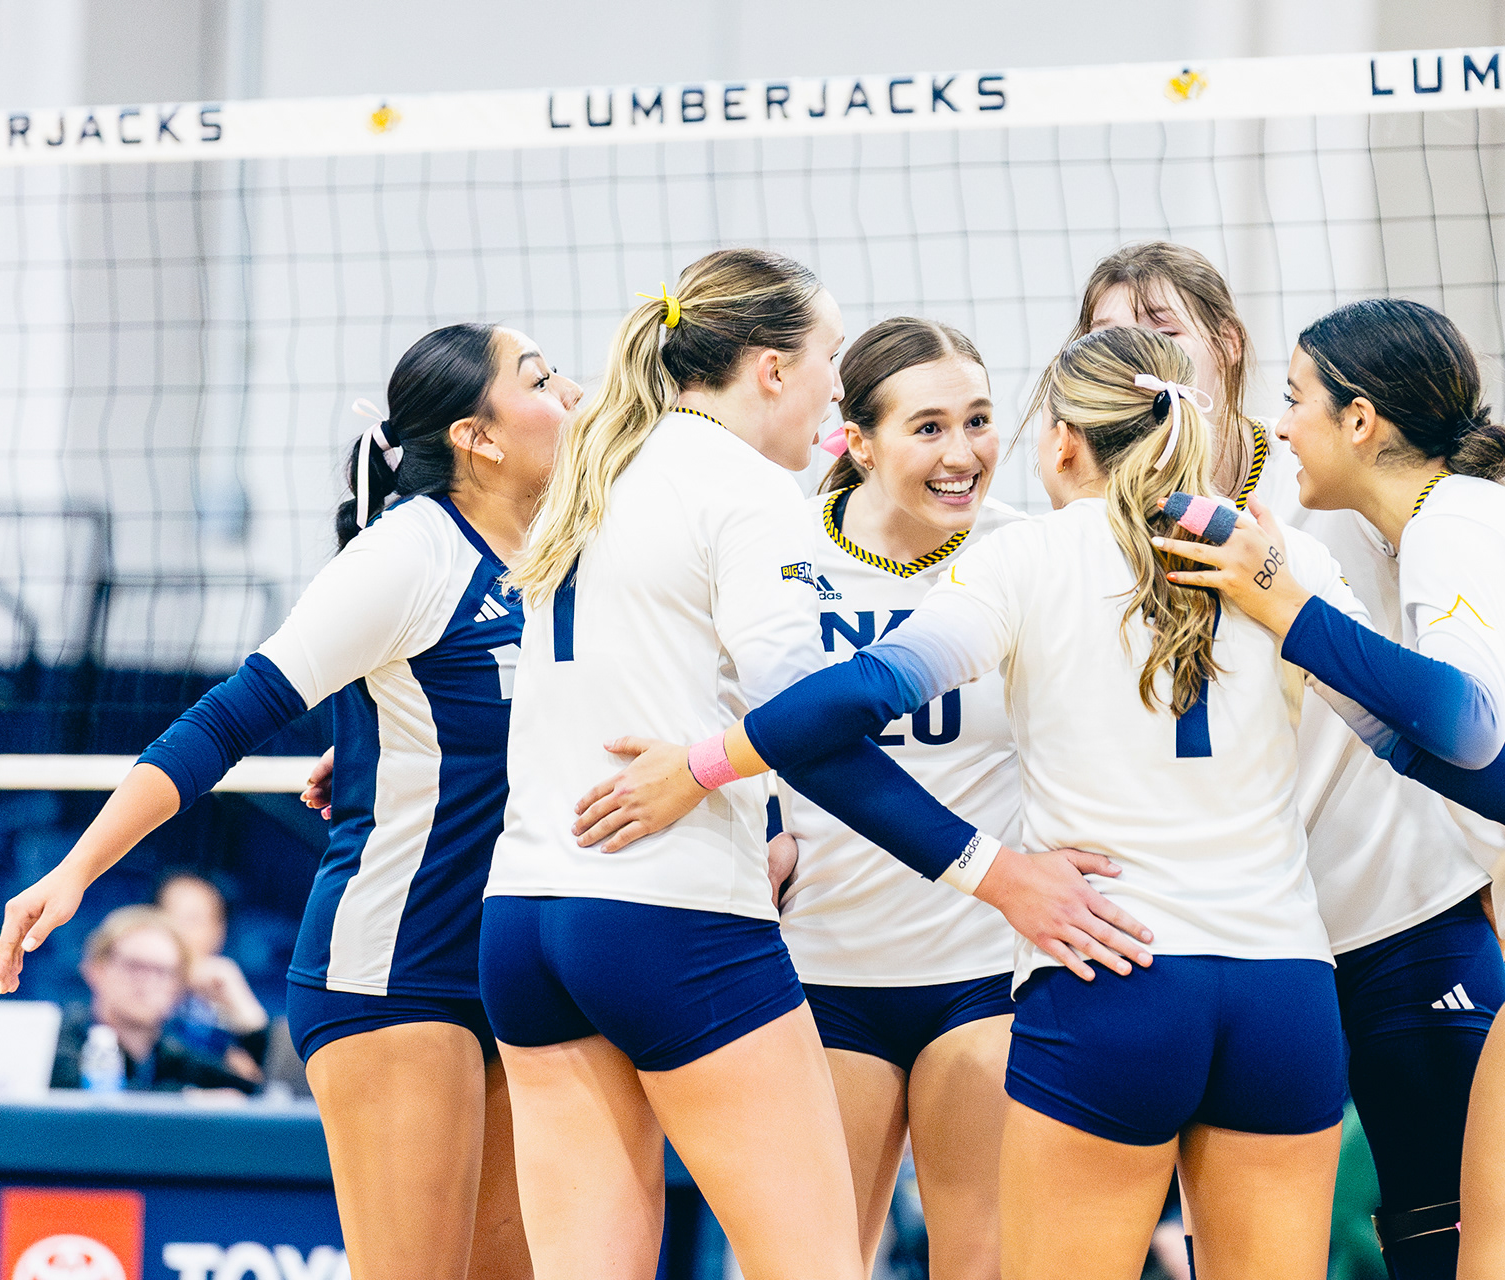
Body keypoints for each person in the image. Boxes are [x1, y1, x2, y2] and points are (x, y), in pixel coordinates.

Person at [484, 249, 1146, 1280]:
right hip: (681, 917)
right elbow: (805, 722)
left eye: (976, 418)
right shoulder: (755, 497)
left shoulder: (595, 467)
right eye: (832, 358)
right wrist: (994, 869)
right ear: (771, 368)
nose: (835, 386)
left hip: (528, 907)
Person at [1078, 241, 1505, 1279]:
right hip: (1257, 937)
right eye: (1106, 340)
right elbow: (1431, 712)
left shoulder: (1386, 516)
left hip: (1477, 928)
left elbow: (1457, 727)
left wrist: (1281, 596)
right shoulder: (1411, 516)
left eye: (1158, 333)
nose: (1137, 364)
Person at [0, 322, 580, 1280]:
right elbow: (222, 723)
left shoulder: (567, 556)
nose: (571, 389)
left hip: (523, 962)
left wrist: (366, 749)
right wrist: (75, 869)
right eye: (542, 377)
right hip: (399, 968)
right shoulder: (410, 554)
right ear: (478, 437)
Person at [778, 316, 1024, 1278]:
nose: (962, 454)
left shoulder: (1024, 553)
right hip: (822, 963)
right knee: (813, 1262)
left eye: (978, 420)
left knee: (985, 1262)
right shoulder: (782, 554)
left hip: (984, 965)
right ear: (856, 439)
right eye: (928, 428)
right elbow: (713, 712)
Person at [50, 905, 257, 1093]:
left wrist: (247, 1015)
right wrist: (187, 1104)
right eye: (135, 966)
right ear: (95, 969)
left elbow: (271, 1094)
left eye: (163, 971)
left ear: (181, 986)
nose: (148, 982)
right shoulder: (54, 1045)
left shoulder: (174, 1058)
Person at [155, 871, 270, 1083]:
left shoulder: (225, 992)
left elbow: (272, 1080)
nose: (178, 930)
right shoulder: (135, 991)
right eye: (168, 916)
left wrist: (246, 1010)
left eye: (193, 920)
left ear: (218, 931)